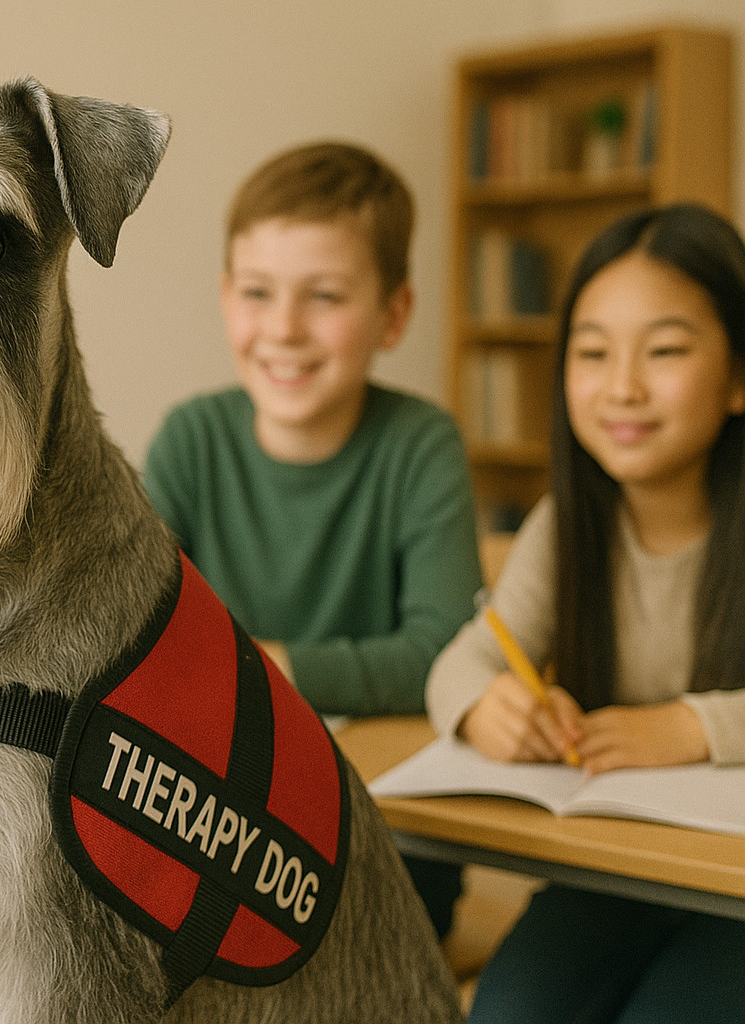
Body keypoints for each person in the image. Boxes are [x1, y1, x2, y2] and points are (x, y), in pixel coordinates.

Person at [142, 141, 481, 938]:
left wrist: (263, 668)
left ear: (394, 314)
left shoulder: (422, 446)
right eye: (258, 293)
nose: (285, 329)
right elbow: (143, 639)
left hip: (389, 835)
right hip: (217, 821)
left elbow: (441, 653)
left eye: (325, 296)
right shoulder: (192, 439)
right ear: (227, 300)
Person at [428, 203, 745, 1023]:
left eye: (666, 350)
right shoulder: (568, 526)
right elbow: (467, 659)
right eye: (593, 352)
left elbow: (690, 732)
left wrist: (692, 728)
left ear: (739, 374)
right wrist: (485, 707)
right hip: (620, 871)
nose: (623, 386)